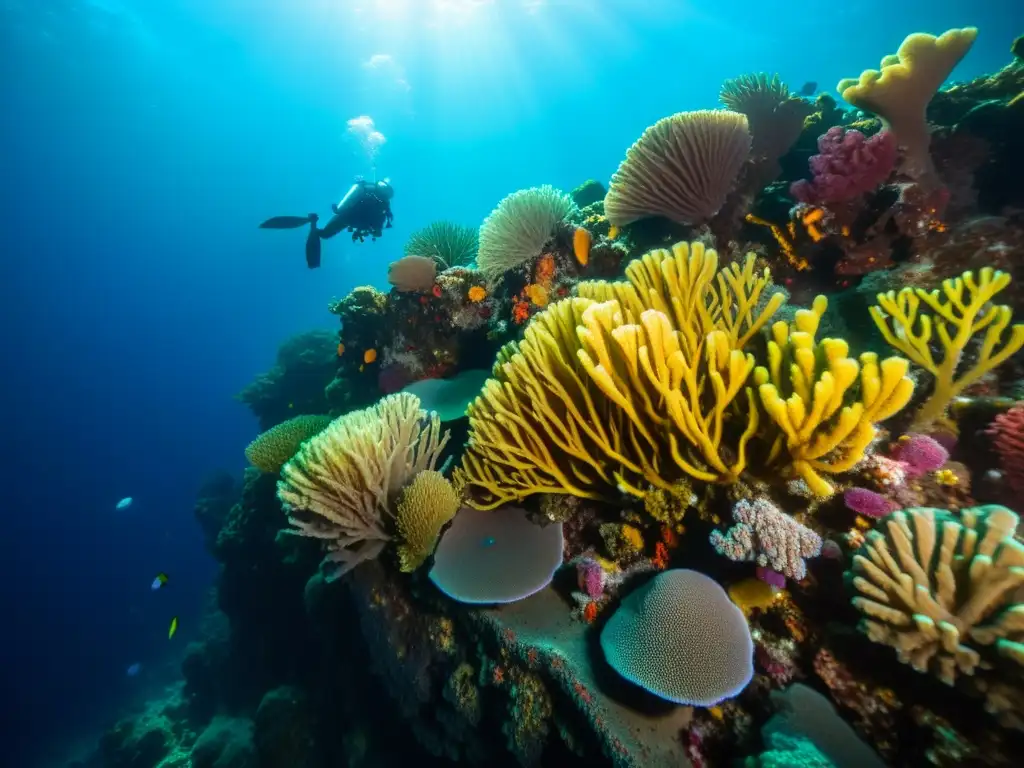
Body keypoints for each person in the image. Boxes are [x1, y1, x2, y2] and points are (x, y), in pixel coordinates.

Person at [259, 178, 394, 268]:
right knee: (324, 235)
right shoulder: (384, 204)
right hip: (356, 223)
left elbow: (340, 209)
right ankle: (313, 223)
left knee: (324, 234)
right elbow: (378, 229)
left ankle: (312, 221)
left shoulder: (365, 189)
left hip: (346, 217)